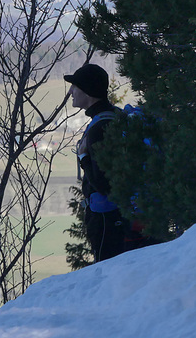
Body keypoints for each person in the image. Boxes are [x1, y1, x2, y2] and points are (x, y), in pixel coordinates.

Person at [65, 63, 126, 262]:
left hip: (107, 219)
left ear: (88, 91)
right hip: (122, 215)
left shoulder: (99, 128)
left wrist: (83, 158)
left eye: (75, 86)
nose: (71, 91)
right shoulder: (115, 116)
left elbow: (102, 183)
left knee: (108, 272)